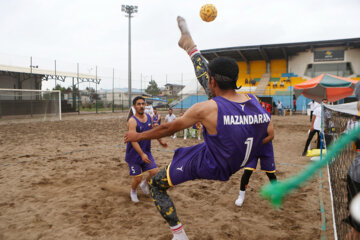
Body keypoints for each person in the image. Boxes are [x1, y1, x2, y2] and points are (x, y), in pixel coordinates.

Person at [124, 16, 271, 240]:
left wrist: (138, 134)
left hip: (213, 162)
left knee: (155, 185)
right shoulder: (255, 103)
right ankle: (191, 47)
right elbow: (270, 134)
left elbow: (168, 130)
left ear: (213, 82)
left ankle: (179, 235)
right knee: (219, 100)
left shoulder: (206, 109)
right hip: (237, 159)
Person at [125, 96, 167, 203]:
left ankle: (145, 184)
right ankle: (133, 191)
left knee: (155, 172)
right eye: (139, 104)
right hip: (134, 154)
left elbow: (154, 131)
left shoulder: (149, 117)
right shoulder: (132, 121)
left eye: (143, 104)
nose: (141, 106)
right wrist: (141, 154)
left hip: (146, 152)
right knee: (137, 178)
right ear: (134, 106)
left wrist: (160, 141)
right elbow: (133, 140)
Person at [235, 120, 276, 206]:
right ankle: (241, 196)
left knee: (270, 173)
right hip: (253, 149)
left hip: (266, 149)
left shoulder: (267, 119)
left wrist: (258, 143)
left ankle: (275, 192)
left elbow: (271, 136)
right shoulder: (248, 118)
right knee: (247, 172)